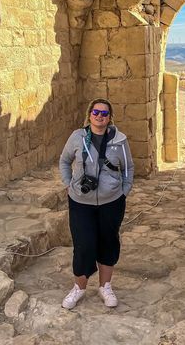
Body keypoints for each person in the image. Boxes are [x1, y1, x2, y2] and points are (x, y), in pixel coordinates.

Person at [59, 98, 134, 310]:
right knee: (83, 244)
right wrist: (68, 184)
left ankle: (105, 286)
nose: (99, 116)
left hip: (112, 201)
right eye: (96, 112)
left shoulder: (120, 140)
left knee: (108, 241)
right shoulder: (77, 137)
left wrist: (124, 191)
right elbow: (64, 161)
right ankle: (79, 288)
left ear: (109, 118)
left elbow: (129, 167)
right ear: (89, 114)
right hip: (80, 201)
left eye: (104, 113)